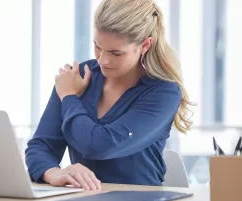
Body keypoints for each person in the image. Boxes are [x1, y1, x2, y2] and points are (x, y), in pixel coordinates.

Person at [25, 0, 192, 190]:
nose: (103, 59)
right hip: (83, 196)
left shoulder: (163, 93)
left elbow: (99, 145)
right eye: (97, 46)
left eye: (115, 52)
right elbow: (40, 146)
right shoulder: (75, 78)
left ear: (145, 45)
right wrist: (53, 173)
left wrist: (70, 97)